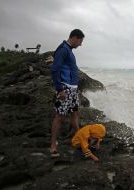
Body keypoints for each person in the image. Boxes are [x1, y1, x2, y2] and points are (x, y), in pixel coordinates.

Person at [50, 29, 85, 158]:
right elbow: (55, 70)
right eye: (80, 41)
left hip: (73, 89)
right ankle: (53, 145)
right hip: (65, 89)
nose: (80, 44)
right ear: (75, 37)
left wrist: (75, 88)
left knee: (75, 113)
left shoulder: (68, 50)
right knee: (59, 117)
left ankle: (80, 138)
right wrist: (60, 90)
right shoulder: (64, 49)